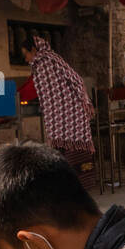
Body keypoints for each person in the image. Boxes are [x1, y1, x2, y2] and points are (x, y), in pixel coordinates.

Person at [19, 35, 96, 189]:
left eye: (26, 54)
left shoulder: (44, 62)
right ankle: (73, 186)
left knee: (69, 149)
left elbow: (33, 88)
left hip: (69, 113)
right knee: (66, 149)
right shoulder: (49, 59)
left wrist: (15, 95)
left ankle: (74, 187)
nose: (26, 59)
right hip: (68, 113)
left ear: (33, 50)